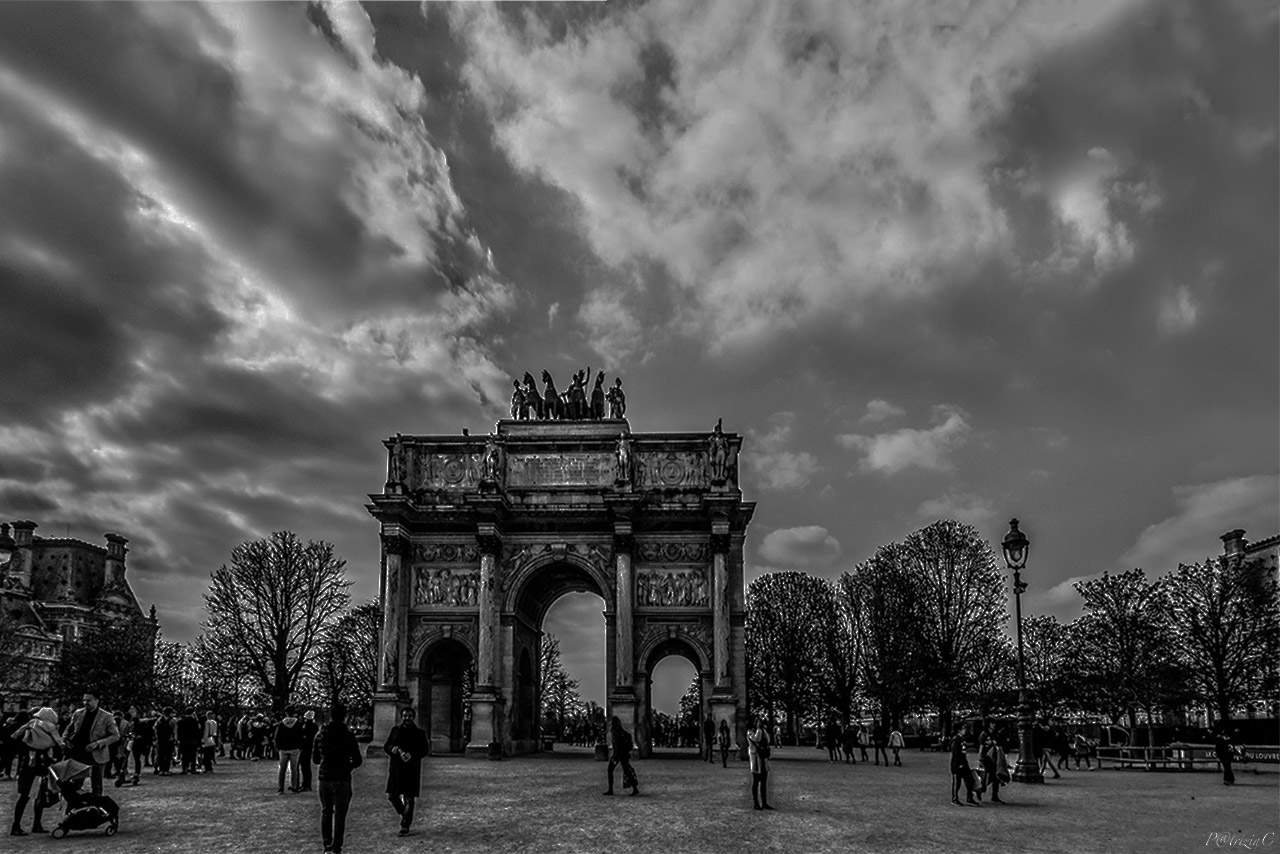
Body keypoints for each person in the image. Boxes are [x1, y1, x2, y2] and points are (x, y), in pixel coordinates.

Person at [313, 702, 363, 854]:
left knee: (326, 811)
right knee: (340, 815)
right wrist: (348, 766)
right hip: (342, 778)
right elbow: (358, 760)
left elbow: (315, 759)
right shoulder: (348, 735)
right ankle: (337, 846)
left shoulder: (320, 734)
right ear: (345, 717)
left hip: (325, 777)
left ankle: (327, 843)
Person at [10, 707, 62, 836]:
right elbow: (59, 743)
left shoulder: (29, 725)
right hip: (41, 765)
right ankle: (35, 824)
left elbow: (15, 738)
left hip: (27, 765)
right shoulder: (50, 727)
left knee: (24, 796)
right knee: (40, 795)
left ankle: (17, 825)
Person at [63, 692, 120, 796]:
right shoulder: (78, 713)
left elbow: (115, 736)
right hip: (78, 753)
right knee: (75, 784)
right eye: (84, 700)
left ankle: (97, 807)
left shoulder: (106, 716)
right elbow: (69, 728)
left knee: (96, 785)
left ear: (96, 701)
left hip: (96, 755)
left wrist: (98, 743)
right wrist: (65, 739)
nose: (85, 703)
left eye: (88, 700)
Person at [384, 706, 430, 836]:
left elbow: (424, 750)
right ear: (401, 717)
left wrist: (412, 755)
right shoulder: (395, 730)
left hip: (411, 768)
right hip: (396, 768)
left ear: (413, 717)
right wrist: (392, 749)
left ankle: (405, 825)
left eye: (409, 716)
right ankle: (404, 813)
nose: (407, 718)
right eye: (405, 716)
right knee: (392, 795)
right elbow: (386, 745)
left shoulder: (419, 733)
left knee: (409, 798)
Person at [604, 716, 638, 796]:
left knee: (610, 771)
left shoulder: (615, 732)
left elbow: (617, 745)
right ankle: (635, 788)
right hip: (624, 754)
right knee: (627, 771)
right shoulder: (622, 731)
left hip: (618, 755)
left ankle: (610, 789)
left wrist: (615, 756)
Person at [275, 705, 304, 793]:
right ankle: (294, 786)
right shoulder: (297, 723)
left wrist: (278, 747)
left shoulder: (281, 723)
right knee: (294, 769)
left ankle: (281, 788)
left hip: (283, 749)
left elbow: (277, 736)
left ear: (286, 713)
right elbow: (301, 736)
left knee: (282, 769)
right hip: (295, 748)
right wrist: (300, 746)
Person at [747, 715, 773, 811]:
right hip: (756, 759)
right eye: (758, 721)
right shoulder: (750, 732)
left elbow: (768, 740)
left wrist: (762, 730)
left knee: (764, 782)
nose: (760, 723)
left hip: (762, 758)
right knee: (755, 782)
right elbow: (756, 739)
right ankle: (756, 803)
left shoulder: (762, 730)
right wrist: (759, 730)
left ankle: (764, 802)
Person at [950, 732, 979, 807]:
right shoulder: (956, 740)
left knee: (970, 780)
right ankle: (954, 798)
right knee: (957, 782)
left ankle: (970, 797)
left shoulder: (962, 739)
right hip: (957, 764)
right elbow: (955, 753)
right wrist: (958, 763)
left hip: (964, 763)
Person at [978, 732, 1006, 804]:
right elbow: (982, 749)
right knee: (988, 779)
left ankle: (994, 795)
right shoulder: (985, 735)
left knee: (994, 778)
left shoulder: (991, 735)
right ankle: (980, 790)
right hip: (987, 761)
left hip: (992, 761)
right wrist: (981, 760)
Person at [177, 707, 201, 774]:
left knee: (184, 755)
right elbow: (198, 731)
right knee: (193, 755)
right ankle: (193, 768)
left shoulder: (181, 721)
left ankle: (185, 768)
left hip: (184, 741)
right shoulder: (194, 721)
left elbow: (179, 731)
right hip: (193, 740)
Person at [299, 710, 319, 791]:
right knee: (306, 767)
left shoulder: (306, 726)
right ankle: (307, 784)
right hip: (310, 747)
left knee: (305, 766)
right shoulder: (315, 726)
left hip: (305, 748)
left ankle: (305, 784)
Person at [154, 707, 174, 775]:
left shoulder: (159, 720)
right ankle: (166, 770)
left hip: (160, 739)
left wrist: (156, 737)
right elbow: (175, 730)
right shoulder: (172, 720)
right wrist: (175, 739)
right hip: (169, 739)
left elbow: (155, 728)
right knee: (168, 755)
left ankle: (161, 770)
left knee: (161, 755)